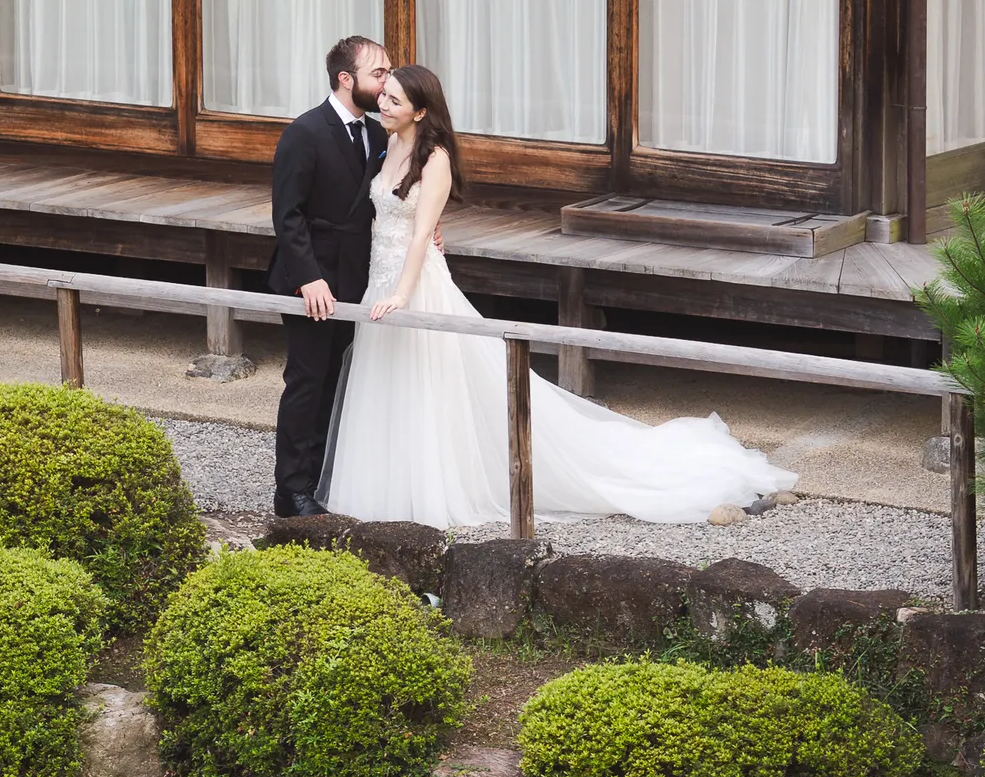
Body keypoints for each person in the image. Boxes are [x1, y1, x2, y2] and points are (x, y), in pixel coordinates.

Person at [321, 63, 798, 528]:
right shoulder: (386, 144)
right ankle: (389, 486)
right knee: (389, 382)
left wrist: (403, 294)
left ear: (421, 112)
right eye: (384, 95)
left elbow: (422, 234)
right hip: (379, 278)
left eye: (394, 100)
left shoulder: (436, 157)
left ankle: (434, 490)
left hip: (414, 284)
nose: (382, 103)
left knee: (433, 382)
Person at [267, 32, 390, 519]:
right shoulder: (305, 132)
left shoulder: (378, 134)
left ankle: (322, 480)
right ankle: (291, 489)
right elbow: (287, 214)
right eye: (377, 73)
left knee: (339, 382)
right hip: (311, 281)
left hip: (358, 278)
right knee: (307, 380)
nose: (386, 82)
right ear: (346, 79)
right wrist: (309, 278)